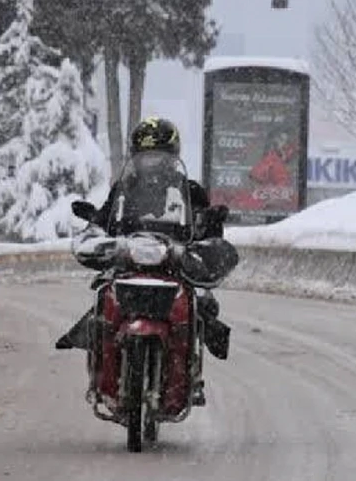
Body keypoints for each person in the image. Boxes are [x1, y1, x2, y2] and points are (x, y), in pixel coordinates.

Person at [54, 116, 234, 405]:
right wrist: (96, 224)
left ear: (172, 156)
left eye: (159, 157)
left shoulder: (190, 191)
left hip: (172, 264)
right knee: (101, 297)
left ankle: (192, 374)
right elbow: (106, 218)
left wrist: (210, 224)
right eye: (147, 157)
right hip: (129, 261)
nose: (153, 163)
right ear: (135, 156)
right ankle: (101, 370)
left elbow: (204, 226)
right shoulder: (124, 188)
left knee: (202, 305)